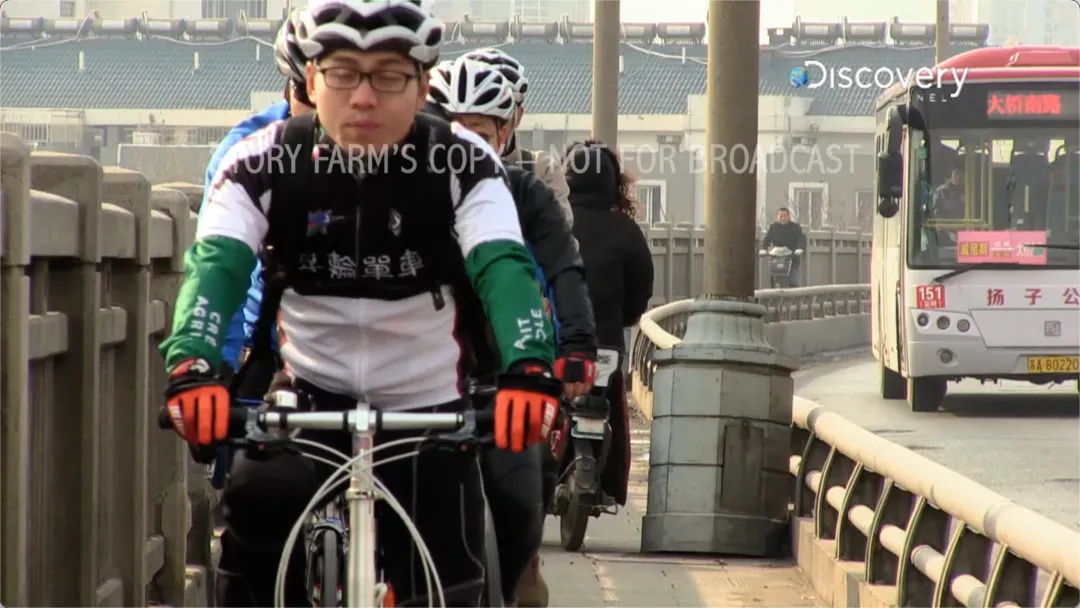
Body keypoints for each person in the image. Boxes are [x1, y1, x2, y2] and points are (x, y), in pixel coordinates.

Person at [159, 0, 564, 605]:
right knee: (252, 537)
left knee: (454, 577)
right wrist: (194, 363)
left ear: (423, 85)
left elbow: (503, 265)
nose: (365, 97)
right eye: (343, 73)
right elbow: (217, 265)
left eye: (389, 76)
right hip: (306, 399)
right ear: (311, 79)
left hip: (429, 407)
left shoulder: (466, 162)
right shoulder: (259, 162)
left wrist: (529, 367)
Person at [428, 56, 598, 608]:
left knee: (520, 502)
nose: (463, 147)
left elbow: (563, 269)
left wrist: (577, 346)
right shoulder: (401, 189)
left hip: (503, 374)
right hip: (417, 380)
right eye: (451, 131)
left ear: (506, 132)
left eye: (478, 134)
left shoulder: (527, 194)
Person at [192, 10, 317, 486]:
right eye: (307, 92)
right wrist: (213, 366)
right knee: (252, 490)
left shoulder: (408, 148)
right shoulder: (246, 150)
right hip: (269, 342)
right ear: (291, 85)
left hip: (382, 357)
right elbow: (220, 267)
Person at [562, 140, 654, 518]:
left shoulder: (551, 221)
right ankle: (610, 481)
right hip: (606, 344)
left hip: (556, 340)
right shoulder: (626, 230)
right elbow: (641, 288)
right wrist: (624, 318)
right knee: (610, 401)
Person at [462, 47, 573, 227]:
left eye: (502, 109)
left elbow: (559, 234)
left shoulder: (542, 169)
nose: (490, 121)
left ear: (518, 115)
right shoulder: (440, 164)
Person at [760, 207, 806, 286]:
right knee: (773, 279)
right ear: (777, 217)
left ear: (789, 216)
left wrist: (800, 248)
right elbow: (767, 239)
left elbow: (801, 238)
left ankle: (794, 291)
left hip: (791, 257)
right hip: (776, 257)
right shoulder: (773, 227)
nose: (783, 218)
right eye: (781, 216)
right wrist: (763, 248)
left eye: (785, 216)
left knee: (793, 281)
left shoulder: (795, 227)